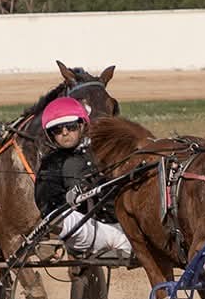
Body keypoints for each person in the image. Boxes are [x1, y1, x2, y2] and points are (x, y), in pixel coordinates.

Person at [33, 96, 132, 261]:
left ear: (82, 125)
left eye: (70, 127)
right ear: (51, 135)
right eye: (57, 130)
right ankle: (123, 246)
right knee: (59, 218)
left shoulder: (103, 151)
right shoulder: (51, 163)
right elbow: (47, 203)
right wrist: (69, 199)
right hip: (83, 227)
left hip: (119, 222)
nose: (65, 133)